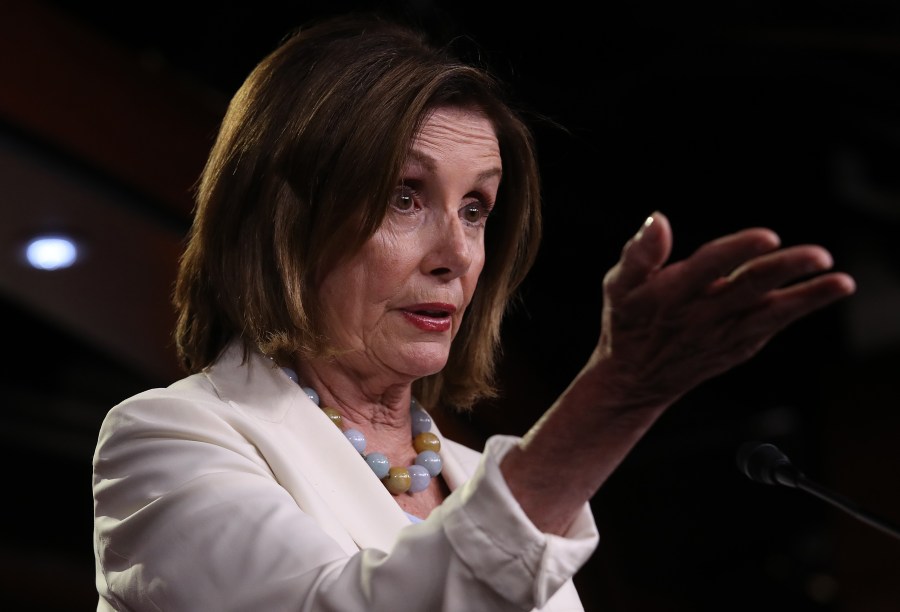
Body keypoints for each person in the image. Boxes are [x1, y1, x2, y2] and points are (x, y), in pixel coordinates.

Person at [90, 11, 857, 612]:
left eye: (477, 207)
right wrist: (616, 396)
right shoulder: (169, 441)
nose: (456, 253)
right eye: (404, 195)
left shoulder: (474, 474)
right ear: (285, 220)